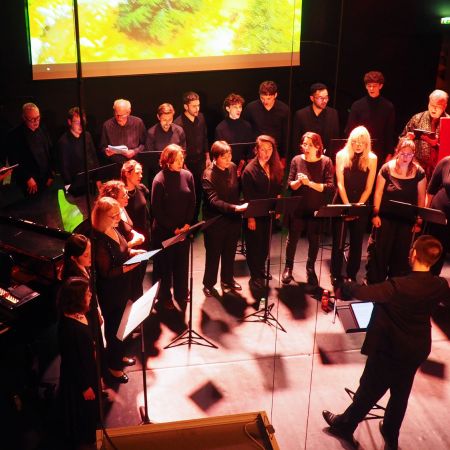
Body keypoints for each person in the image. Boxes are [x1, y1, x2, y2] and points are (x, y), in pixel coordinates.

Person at [322, 235, 450, 450]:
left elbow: (363, 292)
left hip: (390, 349)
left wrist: (345, 285)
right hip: (416, 349)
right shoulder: (439, 284)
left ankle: (344, 425)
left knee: (369, 389)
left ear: (414, 254)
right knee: (400, 393)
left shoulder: (398, 286)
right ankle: (391, 436)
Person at [91, 197, 144, 383]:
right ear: (103, 217)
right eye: (113, 216)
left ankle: (119, 356)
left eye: (117, 214)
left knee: (123, 325)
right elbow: (106, 272)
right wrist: (129, 267)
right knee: (114, 329)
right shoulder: (99, 240)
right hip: (111, 292)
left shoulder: (114, 229)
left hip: (123, 286)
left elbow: (122, 251)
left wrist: (132, 253)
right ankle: (113, 367)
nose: (117, 219)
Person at [366, 138, 426, 283]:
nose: (406, 157)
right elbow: (378, 193)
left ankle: (395, 286)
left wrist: (419, 221)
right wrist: (375, 215)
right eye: (403, 153)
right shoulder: (386, 168)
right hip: (385, 219)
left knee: (400, 256)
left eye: (409, 154)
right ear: (397, 152)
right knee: (380, 254)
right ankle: (376, 285)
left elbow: (421, 197)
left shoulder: (419, 172)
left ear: (413, 155)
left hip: (406, 221)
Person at [281, 132, 334, 286]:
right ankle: (288, 267)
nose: (306, 147)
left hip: (315, 208)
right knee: (292, 239)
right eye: (304, 144)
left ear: (318, 146)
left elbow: (330, 187)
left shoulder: (326, 161)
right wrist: (299, 182)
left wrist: (309, 183)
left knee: (314, 240)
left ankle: (310, 269)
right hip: (298, 207)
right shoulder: (296, 160)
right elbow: (289, 185)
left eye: (310, 145)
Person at [151, 144, 195, 313]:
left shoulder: (187, 175)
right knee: (165, 266)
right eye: (176, 160)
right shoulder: (159, 180)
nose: (180, 162)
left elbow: (192, 201)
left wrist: (187, 224)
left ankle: (181, 292)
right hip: (165, 232)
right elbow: (157, 210)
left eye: (181, 159)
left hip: (183, 230)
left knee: (182, 263)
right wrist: (173, 228)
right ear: (167, 161)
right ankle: (165, 296)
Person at [330, 126, 377, 284]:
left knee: (357, 243)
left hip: (361, 203)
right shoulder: (341, 155)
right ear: (350, 141)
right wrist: (348, 207)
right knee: (338, 242)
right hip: (342, 201)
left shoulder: (372, 158)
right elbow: (340, 184)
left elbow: (369, 187)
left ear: (366, 144)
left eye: (361, 143)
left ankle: (351, 274)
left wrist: (357, 207)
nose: (358, 145)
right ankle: (335, 273)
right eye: (355, 142)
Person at [201, 141, 248, 297]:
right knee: (213, 255)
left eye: (229, 155)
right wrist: (235, 208)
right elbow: (213, 201)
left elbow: (236, 189)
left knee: (230, 252)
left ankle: (227, 279)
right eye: (224, 157)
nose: (228, 159)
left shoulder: (233, 167)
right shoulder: (208, 174)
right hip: (215, 222)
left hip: (232, 220)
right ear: (215, 157)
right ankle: (208, 284)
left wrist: (238, 206)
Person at [57, 277, 98, 450]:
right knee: (82, 414)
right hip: (79, 380)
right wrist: (85, 386)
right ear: (77, 299)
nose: (90, 295)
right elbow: (72, 362)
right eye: (87, 293)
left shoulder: (80, 314)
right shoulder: (68, 329)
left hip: (88, 369)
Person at [242, 135, 284, 289]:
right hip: (255, 214)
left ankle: (260, 268)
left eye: (269, 149)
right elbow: (248, 197)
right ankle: (255, 275)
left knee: (265, 245)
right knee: (254, 246)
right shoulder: (249, 170)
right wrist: (250, 218)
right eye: (263, 149)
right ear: (256, 150)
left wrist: (278, 207)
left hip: (268, 213)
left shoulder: (275, 165)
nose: (267, 153)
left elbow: (278, 189)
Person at [345, 71, 396, 165]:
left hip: (380, 150)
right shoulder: (357, 105)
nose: (371, 88)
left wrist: (389, 153)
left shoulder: (388, 106)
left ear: (380, 86)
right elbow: (350, 130)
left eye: (374, 86)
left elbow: (389, 132)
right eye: (369, 86)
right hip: (359, 149)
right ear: (366, 86)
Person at [174, 91, 210, 222]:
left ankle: (197, 221)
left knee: (201, 192)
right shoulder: (178, 123)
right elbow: (178, 147)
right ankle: (188, 222)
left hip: (200, 161)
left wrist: (207, 157)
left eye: (198, 105)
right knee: (188, 194)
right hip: (187, 163)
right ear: (186, 106)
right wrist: (183, 165)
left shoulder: (201, 118)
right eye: (194, 106)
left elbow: (205, 138)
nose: (197, 108)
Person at [6, 102, 54, 195]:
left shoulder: (42, 128)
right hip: (30, 183)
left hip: (46, 178)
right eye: (32, 119)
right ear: (24, 118)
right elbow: (14, 161)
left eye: (38, 117)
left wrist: (51, 174)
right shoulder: (14, 135)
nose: (36, 121)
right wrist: (27, 178)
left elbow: (49, 151)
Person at [401, 89, 449, 180]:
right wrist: (407, 139)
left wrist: (436, 145)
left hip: (440, 170)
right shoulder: (417, 118)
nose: (434, 109)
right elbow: (401, 140)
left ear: (445, 106)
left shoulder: (448, 123)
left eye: (438, 106)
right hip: (416, 167)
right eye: (432, 105)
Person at [243, 81, 290, 166]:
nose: (265, 101)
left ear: (275, 95)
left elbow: (285, 134)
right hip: (256, 152)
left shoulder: (284, 109)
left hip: (275, 152)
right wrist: (249, 155)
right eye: (262, 98)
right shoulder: (251, 108)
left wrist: (283, 157)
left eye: (269, 98)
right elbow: (246, 133)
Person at [56, 106, 99, 195]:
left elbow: (94, 157)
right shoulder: (63, 142)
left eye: (83, 122)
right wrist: (69, 187)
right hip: (76, 186)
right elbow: (64, 168)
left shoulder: (87, 135)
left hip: (91, 182)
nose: (81, 126)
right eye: (77, 122)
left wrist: (98, 179)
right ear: (69, 122)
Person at [291, 82, 340, 158]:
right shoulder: (301, 115)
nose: (324, 101)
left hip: (326, 157)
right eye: (321, 98)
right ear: (312, 98)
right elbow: (296, 141)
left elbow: (335, 139)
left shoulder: (333, 114)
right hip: (306, 157)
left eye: (326, 97)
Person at [98, 180, 145, 249]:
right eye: (124, 196)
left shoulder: (122, 207)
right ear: (113, 199)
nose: (128, 197)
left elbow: (128, 228)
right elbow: (116, 250)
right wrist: (133, 243)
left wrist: (136, 234)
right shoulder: (110, 219)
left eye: (126, 193)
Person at [214, 93, 254, 176]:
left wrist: (241, 166)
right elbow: (219, 152)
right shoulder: (220, 128)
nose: (239, 110)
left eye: (240, 107)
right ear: (228, 108)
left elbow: (250, 149)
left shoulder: (247, 126)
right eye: (235, 107)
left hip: (244, 167)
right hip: (226, 167)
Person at [145, 103, 186, 181]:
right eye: (164, 120)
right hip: (158, 173)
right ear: (158, 117)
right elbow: (150, 158)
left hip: (177, 171)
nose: (167, 123)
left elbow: (183, 152)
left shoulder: (179, 131)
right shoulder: (151, 133)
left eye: (170, 119)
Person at [100, 98, 146, 165]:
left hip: (134, 164)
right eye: (116, 114)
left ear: (128, 112)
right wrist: (106, 151)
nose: (119, 118)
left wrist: (134, 151)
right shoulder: (107, 125)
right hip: (115, 164)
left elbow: (144, 144)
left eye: (121, 115)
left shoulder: (138, 122)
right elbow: (102, 147)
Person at [425, 155, 450, 275]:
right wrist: (425, 214)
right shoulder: (446, 162)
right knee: (434, 248)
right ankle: (429, 278)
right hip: (440, 214)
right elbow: (431, 190)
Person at [121, 159, 151, 250]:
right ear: (127, 174)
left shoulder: (142, 188)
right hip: (131, 238)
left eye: (141, 173)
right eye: (137, 173)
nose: (141, 176)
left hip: (145, 235)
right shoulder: (120, 194)